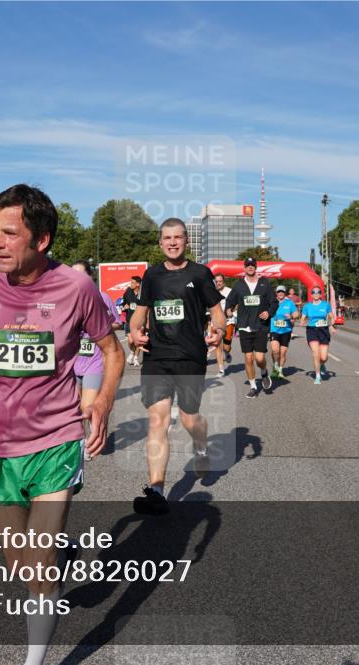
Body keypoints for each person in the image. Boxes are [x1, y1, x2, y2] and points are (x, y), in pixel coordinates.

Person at [0, 185, 123, 665]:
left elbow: (112, 350)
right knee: (19, 564)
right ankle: (52, 557)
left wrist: (102, 403)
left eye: (9, 232)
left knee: (39, 564)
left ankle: (35, 661)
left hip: (55, 440)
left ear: (40, 240)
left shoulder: (76, 288)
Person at [128, 218, 225, 515]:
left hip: (190, 356)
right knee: (157, 420)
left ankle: (201, 445)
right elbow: (138, 315)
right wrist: (134, 332)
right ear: (160, 243)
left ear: (186, 241)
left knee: (188, 419)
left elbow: (217, 314)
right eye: (167, 238)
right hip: (157, 357)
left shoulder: (200, 273)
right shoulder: (152, 276)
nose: (172, 242)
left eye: (178, 238)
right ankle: (156, 489)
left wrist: (218, 331)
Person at [70, 261, 122, 427]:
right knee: (74, 409)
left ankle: (92, 444)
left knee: (87, 407)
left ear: (89, 277)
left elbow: (117, 323)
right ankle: (83, 445)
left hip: (94, 361)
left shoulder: (102, 297)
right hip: (72, 362)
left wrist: (99, 327)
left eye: (80, 275)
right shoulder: (65, 298)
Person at [224, 257, 273, 398]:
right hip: (244, 326)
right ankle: (253, 386)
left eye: (252, 265)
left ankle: (263, 372)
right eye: (248, 265)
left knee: (259, 358)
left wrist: (269, 312)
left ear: (256, 267)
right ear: (244, 268)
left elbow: (274, 302)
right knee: (248, 358)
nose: (250, 267)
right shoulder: (239, 285)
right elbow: (230, 300)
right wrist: (228, 309)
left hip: (260, 326)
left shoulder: (265, 284)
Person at [300, 285, 334, 385]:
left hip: (324, 331)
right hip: (312, 330)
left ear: (320, 294)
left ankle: (322, 364)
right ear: (311, 295)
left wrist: (332, 326)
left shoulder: (326, 305)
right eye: (313, 292)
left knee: (323, 357)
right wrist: (302, 321)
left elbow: (331, 316)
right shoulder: (307, 306)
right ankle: (318, 376)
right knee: (316, 354)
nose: (316, 294)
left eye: (318, 292)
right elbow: (303, 317)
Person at [268, 286, 298, 378]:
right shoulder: (271, 302)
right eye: (278, 292)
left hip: (286, 331)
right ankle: (275, 367)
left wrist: (292, 317)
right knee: (274, 350)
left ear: (285, 293)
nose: (280, 293)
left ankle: (280, 370)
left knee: (283, 352)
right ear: (276, 293)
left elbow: (296, 313)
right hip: (274, 330)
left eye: (282, 292)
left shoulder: (289, 303)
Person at [213, 273, 234, 377]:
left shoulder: (230, 291)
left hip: (229, 321)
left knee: (226, 346)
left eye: (220, 281)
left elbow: (237, 303)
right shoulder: (212, 292)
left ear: (223, 281)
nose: (218, 283)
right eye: (216, 282)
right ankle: (221, 369)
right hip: (216, 322)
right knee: (218, 345)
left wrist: (231, 310)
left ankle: (227, 352)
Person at [121, 276, 143, 367]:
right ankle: (132, 352)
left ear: (138, 284)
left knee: (138, 341)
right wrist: (124, 306)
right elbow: (124, 302)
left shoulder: (143, 293)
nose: (131, 284)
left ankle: (136, 358)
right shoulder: (128, 291)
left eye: (132, 283)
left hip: (140, 321)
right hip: (129, 320)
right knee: (130, 341)